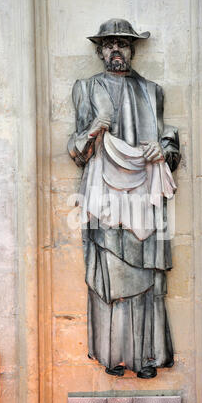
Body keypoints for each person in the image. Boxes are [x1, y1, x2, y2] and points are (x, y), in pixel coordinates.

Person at [67, 19, 181, 379]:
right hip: (105, 199)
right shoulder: (86, 89)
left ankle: (146, 357)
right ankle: (111, 354)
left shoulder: (152, 90)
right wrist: (94, 130)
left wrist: (162, 149)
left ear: (132, 51)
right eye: (109, 45)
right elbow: (76, 148)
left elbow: (170, 143)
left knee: (146, 277)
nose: (116, 51)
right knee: (109, 275)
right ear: (100, 51)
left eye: (123, 45)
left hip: (144, 199)